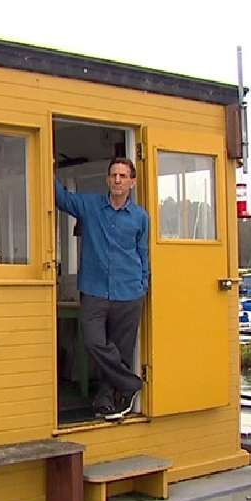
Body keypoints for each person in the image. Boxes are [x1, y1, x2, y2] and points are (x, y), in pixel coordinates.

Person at [54, 156, 149, 420]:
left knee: (120, 349)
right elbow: (62, 198)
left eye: (123, 176)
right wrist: (46, 166)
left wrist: (143, 285)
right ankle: (130, 383)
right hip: (94, 290)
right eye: (113, 175)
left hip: (129, 292)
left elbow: (143, 254)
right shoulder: (90, 205)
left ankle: (106, 400)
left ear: (132, 182)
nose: (117, 180)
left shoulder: (141, 217)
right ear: (108, 180)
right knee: (94, 341)